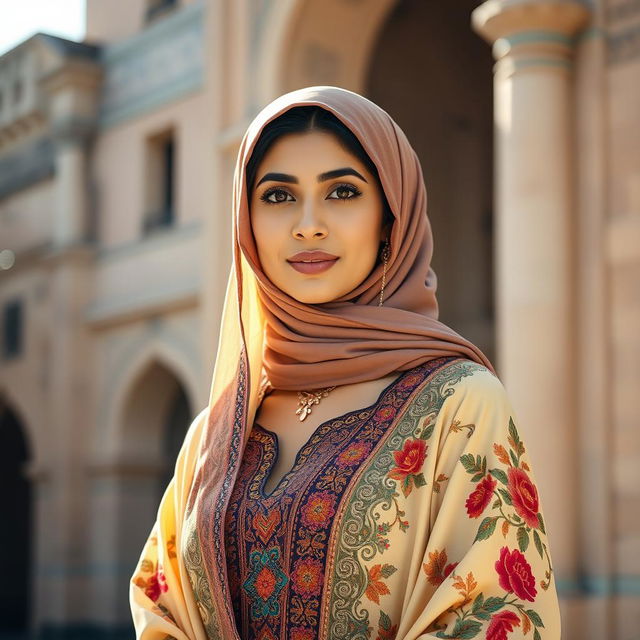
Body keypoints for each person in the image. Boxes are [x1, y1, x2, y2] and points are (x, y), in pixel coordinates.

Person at [129, 86, 561, 640]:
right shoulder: (216, 432)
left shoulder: (460, 404)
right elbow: (162, 607)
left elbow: (499, 616)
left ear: (390, 219)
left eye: (342, 192)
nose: (308, 225)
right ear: (246, 223)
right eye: (278, 197)